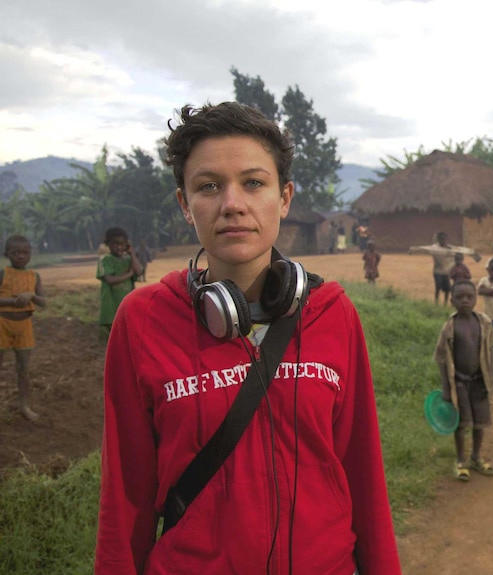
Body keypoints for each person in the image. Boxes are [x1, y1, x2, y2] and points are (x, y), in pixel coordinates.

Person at [94, 102, 401, 574]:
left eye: (254, 183)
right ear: (185, 204)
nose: (232, 203)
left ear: (284, 198)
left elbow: (364, 474)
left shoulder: (333, 313)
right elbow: (125, 498)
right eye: (209, 186)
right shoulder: (143, 320)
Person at [434, 279, 493, 481]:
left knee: (480, 423)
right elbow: (442, 359)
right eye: (459, 297)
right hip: (459, 383)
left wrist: (490, 380)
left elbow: (488, 352)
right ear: (452, 300)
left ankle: (476, 457)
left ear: (475, 299)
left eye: (469, 297)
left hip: (480, 382)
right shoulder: (449, 328)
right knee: (460, 424)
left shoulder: (485, 323)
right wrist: (446, 389)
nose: (465, 301)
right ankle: (461, 460)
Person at [0, 235, 47, 421]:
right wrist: (13, 301)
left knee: (24, 369)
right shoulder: (3, 273)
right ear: (7, 254)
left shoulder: (34, 276)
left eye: (25, 252)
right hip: (2, 323)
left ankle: (23, 404)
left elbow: (44, 302)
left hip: (25, 325)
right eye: (16, 252)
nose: (21, 256)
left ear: (30, 254)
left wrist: (32, 296)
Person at [409, 231, 481, 305]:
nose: (442, 240)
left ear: (446, 239)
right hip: (437, 272)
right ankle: (436, 303)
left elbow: (462, 250)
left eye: (444, 239)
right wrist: (413, 249)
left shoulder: (451, 248)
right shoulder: (435, 248)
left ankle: (445, 304)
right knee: (438, 288)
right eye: (441, 239)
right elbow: (424, 249)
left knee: (447, 289)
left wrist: (474, 254)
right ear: (438, 239)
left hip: (447, 273)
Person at [97, 226, 142, 343]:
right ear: (108, 244)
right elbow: (110, 280)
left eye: (122, 243)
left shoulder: (128, 259)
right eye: (115, 244)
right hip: (111, 307)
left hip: (127, 307)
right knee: (116, 339)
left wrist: (132, 253)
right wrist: (129, 274)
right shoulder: (105, 260)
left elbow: (138, 271)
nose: (119, 247)